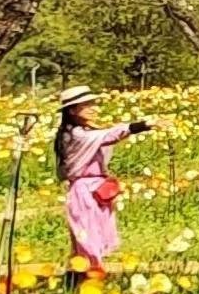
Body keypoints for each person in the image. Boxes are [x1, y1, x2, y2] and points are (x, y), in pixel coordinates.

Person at [54, 86, 152, 280]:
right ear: (72, 110)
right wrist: (144, 124)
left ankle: (81, 279)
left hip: (96, 189)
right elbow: (109, 136)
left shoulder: (85, 131)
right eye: (87, 105)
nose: (93, 108)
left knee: (95, 234)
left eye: (93, 104)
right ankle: (92, 279)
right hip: (84, 192)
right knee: (87, 237)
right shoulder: (75, 135)